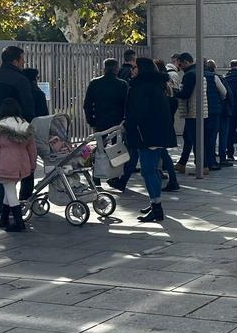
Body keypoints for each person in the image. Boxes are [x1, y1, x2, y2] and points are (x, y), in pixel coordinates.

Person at [0, 46, 35, 216]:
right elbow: (28, 109)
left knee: (1, 171)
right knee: (20, 172)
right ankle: (18, 205)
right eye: (22, 60)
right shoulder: (20, 80)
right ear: (16, 60)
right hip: (15, 132)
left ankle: (0, 208)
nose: (23, 63)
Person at [124, 57, 178, 223]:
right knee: (153, 169)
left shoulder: (141, 87)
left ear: (141, 69)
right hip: (157, 132)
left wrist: (128, 124)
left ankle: (156, 207)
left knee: (148, 171)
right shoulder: (157, 85)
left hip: (147, 134)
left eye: (134, 67)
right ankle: (154, 202)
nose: (131, 70)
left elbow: (139, 111)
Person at [0, 98, 36, 233]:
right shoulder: (26, 126)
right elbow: (32, 150)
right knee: (10, 189)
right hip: (22, 164)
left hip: (5, 165)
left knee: (10, 192)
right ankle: (4, 220)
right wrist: (32, 165)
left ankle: (19, 223)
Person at [84, 58, 131, 190]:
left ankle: (96, 177)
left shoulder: (95, 83)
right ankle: (114, 176)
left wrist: (91, 120)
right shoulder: (122, 84)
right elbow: (127, 104)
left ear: (104, 68)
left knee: (99, 149)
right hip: (117, 122)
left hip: (100, 121)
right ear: (117, 69)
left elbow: (87, 104)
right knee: (117, 149)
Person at [174, 53, 208, 174]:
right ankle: (182, 163)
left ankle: (202, 166)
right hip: (198, 110)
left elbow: (185, 94)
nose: (179, 66)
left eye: (180, 63)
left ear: (186, 62)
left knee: (194, 139)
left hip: (192, 111)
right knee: (189, 138)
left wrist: (174, 92)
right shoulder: (198, 72)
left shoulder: (189, 75)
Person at [203, 59, 227, 170]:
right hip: (213, 110)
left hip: (199, 111)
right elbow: (224, 92)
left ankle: (202, 161)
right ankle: (211, 161)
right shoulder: (214, 77)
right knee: (211, 137)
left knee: (200, 137)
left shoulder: (194, 75)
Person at [221, 59, 237, 163]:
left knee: (230, 132)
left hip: (230, 109)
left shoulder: (226, 78)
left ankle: (230, 153)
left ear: (230, 66)